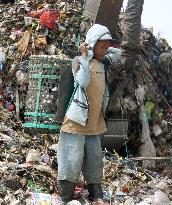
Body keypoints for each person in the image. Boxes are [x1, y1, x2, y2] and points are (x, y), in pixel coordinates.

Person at [57, 24, 122, 204]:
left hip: (94, 124)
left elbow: (119, 55)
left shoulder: (102, 64)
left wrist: (106, 50)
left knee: (94, 160)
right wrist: (86, 56)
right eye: (102, 46)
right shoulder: (79, 61)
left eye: (107, 47)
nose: (105, 50)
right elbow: (83, 82)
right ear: (92, 44)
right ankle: (65, 196)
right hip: (77, 122)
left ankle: (96, 194)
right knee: (72, 159)